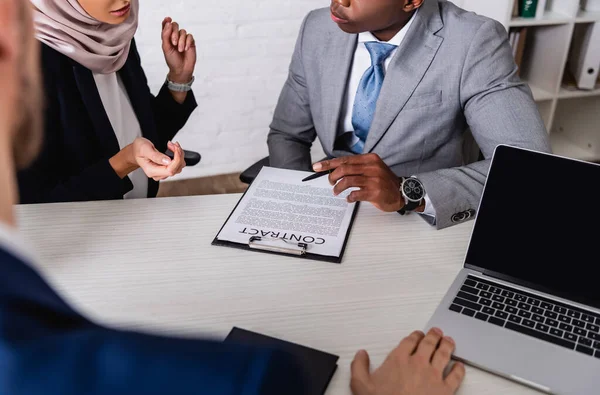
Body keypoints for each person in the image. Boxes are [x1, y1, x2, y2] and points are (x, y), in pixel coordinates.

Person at [0, 1, 466, 393]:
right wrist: (122, 164)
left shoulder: (113, 37)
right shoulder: (38, 56)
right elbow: (41, 203)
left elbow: (140, 136)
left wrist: (179, 83)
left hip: (139, 228)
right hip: (87, 241)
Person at [267, 0, 552, 229]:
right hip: (334, 204)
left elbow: (528, 167)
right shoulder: (317, 27)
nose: (338, 2)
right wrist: (299, 204)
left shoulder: (473, 41)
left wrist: (408, 192)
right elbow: (287, 134)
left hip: (422, 214)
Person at [18, 0, 198, 203]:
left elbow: (145, 132)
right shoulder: (22, 65)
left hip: (139, 214)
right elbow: (32, 203)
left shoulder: (112, 36)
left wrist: (179, 78)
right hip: (87, 229)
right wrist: (125, 161)